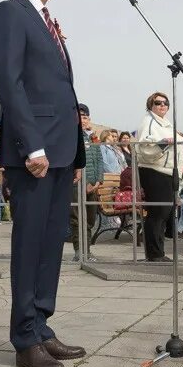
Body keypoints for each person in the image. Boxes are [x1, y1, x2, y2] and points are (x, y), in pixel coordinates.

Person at [0, 0, 86, 367]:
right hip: (35, 151)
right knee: (29, 245)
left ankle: (42, 324)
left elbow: (60, 89)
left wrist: (75, 150)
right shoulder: (9, 14)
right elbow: (9, 83)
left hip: (62, 147)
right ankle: (24, 338)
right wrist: (34, 145)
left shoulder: (48, 21)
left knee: (51, 242)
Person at [135, 92, 182, 262]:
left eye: (165, 102)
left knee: (164, 213)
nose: (162, 105)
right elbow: (145, 147)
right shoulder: (149, 122)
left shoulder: (166, 123)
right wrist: (163, 144)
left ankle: (158, 251)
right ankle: (154, 254)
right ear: (151, 105)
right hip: (155, 170)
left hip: (168, 171)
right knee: (157, 212)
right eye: (158, 102)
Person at [70, 104, 102, 261]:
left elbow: (99, 160)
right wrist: (86, 181)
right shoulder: (72, 135)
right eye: (80, 117)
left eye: (85, 117)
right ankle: (79, 251)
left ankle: (87, 250)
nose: (83, 120)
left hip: (93, 185)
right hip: (78, 183)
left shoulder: (92, 137)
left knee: (90, 219)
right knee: (77, 218)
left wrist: (98, 180)